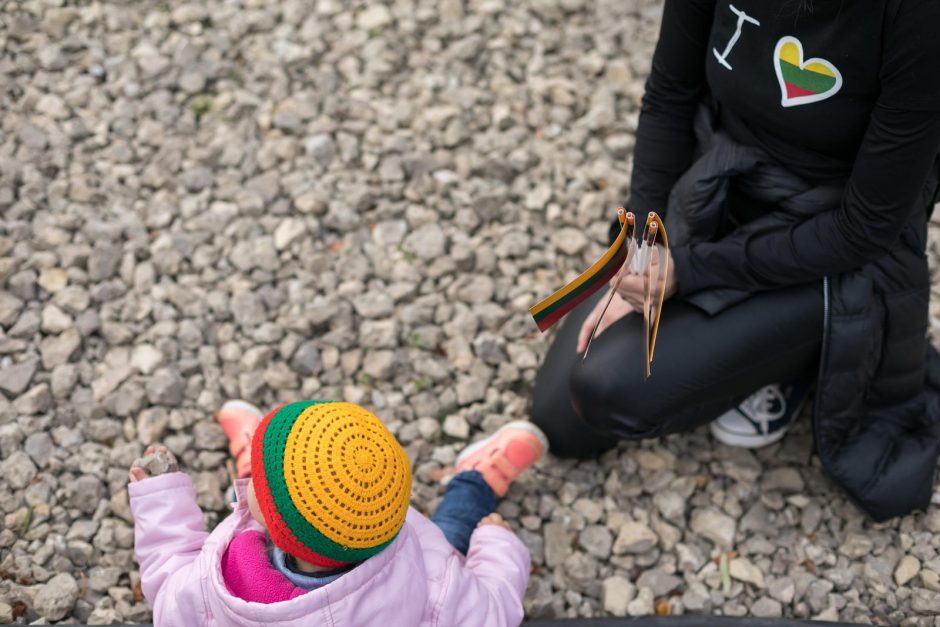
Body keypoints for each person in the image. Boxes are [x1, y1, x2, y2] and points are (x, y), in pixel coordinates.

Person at [532, 0, 940, 521]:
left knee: (607, 388)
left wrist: (691, 271)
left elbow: (864, 229)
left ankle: (803, 357)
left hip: (829, 242)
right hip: (717, 189)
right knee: (562, 419)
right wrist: (647, 242)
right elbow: (669, 96)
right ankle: (750, 351)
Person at [128, 400, 548, 626]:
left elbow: (168, 582)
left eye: (257, 474)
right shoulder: (433, 585)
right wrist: (498, 545)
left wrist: (159, 496)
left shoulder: (216, 586)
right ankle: (474, 481)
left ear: (279, 530)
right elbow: (493, 613)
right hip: (411, 569)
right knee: (453, 531)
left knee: (245, 506)